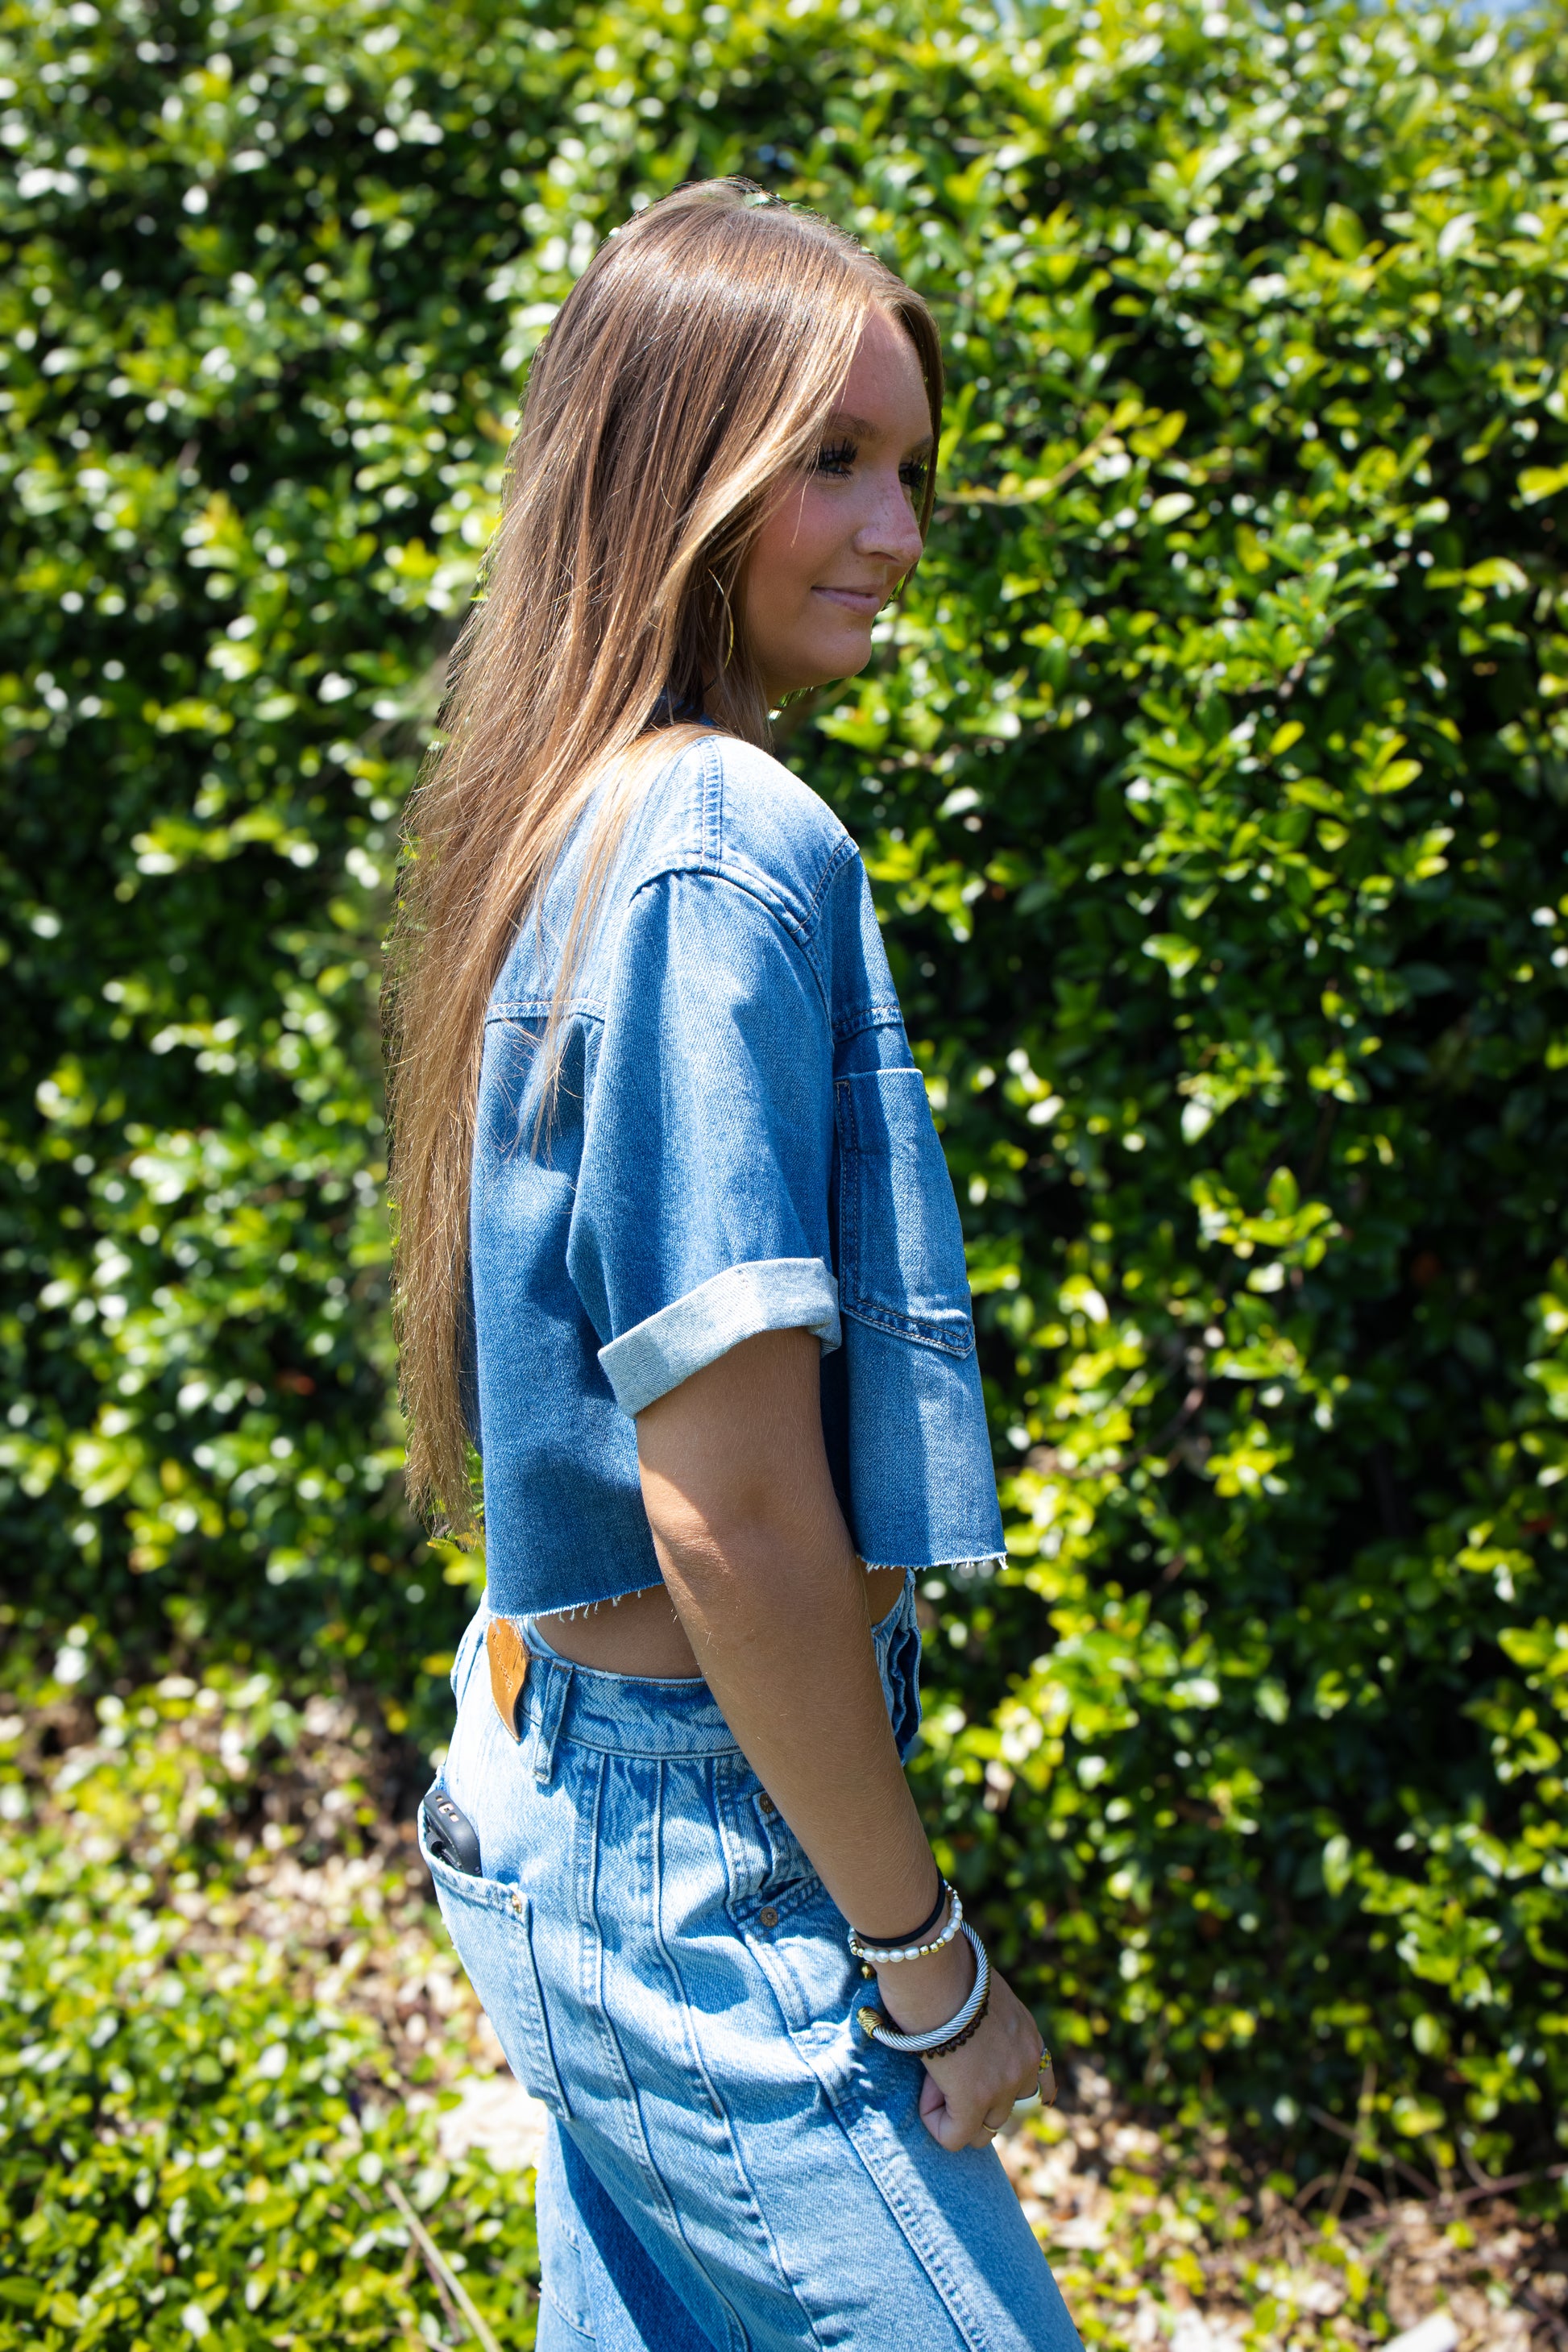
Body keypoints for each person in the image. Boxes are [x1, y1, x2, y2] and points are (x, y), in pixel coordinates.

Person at [386, 176, 1081, 2352]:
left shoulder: (582, 803)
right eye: (833, 459)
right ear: (673, 465)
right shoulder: (718, 840)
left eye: (912, 470)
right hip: (701, 1864)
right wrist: (927, 1961)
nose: (896, 528)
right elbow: (731, 1507)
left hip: (567, 1776)